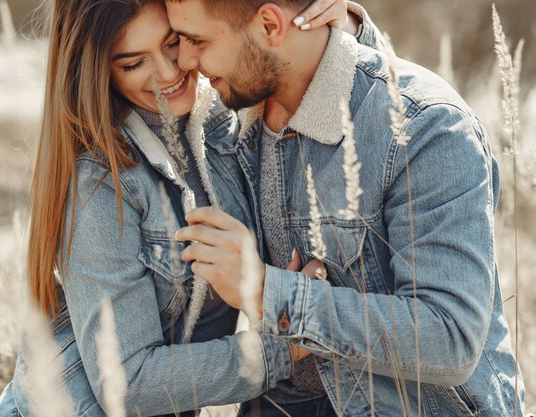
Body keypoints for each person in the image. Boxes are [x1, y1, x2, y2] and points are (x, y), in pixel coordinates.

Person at [0, 1, 384, 416]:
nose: (168, 72)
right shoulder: (103, 178)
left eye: (173, 42)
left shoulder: (229, 121)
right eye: (133, 63)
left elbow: (378, 107)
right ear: (98, 71)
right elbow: (128, 382)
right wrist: (285, 345)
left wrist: (347, 30)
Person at [168, 0, 527, 416]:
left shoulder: (427, 126)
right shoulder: (227, 126)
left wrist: (268, 293)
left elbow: (450, 337)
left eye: (197, 40)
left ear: (270, 25)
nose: (184, 60)